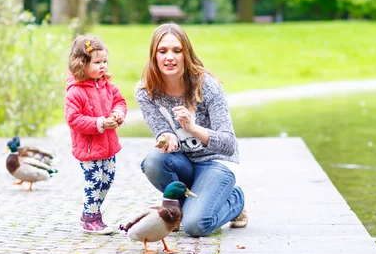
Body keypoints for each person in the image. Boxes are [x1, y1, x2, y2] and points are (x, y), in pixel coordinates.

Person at [135, 22, 247, 237]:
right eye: (163, 51)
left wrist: (192, 128)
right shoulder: (146, 92)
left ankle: (235, 199)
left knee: (195, 225)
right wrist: (165, 137)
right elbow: (160, 130)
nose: (170, 57)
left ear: (186, 54)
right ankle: (185, 207)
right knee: (153, 161)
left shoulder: (206, 85)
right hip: (183, 164)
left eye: (177, 51)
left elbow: (229, 143)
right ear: (154, 55)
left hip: (215, 163)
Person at [65, 35, 127, 234]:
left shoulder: (107, 86)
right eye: (97, 62)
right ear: (81, 64)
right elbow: (73, 119)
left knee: (107, 179)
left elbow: (120, 101)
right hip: (89, 147)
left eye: (105, 62)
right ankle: (90, 218)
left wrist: (118, 113)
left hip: (108, 146)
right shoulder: (75, 92)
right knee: (94, 181)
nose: (103, 66)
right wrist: (99, 123)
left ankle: (92, 213)